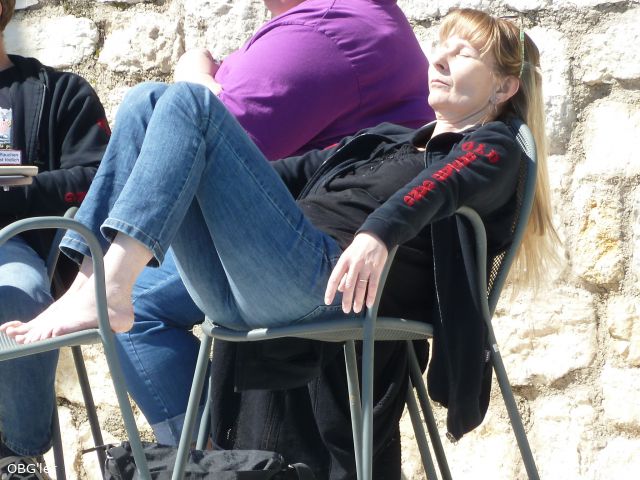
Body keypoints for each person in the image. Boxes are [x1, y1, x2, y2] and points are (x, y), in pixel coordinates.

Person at [3, 7, 558, 479]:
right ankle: (94, 283)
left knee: (190, 104)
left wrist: (378, 232)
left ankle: (107, 289)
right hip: (263, 282)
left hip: (328, 284)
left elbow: (442, 188)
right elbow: (272, 174)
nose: (438, 59)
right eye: (440, 46)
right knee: (150, 101)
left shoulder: (495, 147)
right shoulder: (385, 141)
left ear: (504, 87)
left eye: (463, 54)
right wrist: (199, 157)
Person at [117, 0, 432, 453]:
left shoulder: (327, 28)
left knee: (135, 302)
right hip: (303, 236)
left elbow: (207, 129)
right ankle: (207, 457)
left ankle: (207, 458)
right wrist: (199, 71)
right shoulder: (328, 22)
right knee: (147, 102)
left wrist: (192, 76)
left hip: (314, 256)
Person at [0, 0, 110, 477]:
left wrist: (11, 186)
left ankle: (17, 457)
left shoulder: (62, 92)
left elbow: (98, 176)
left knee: (19, 294)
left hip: (13, 243)